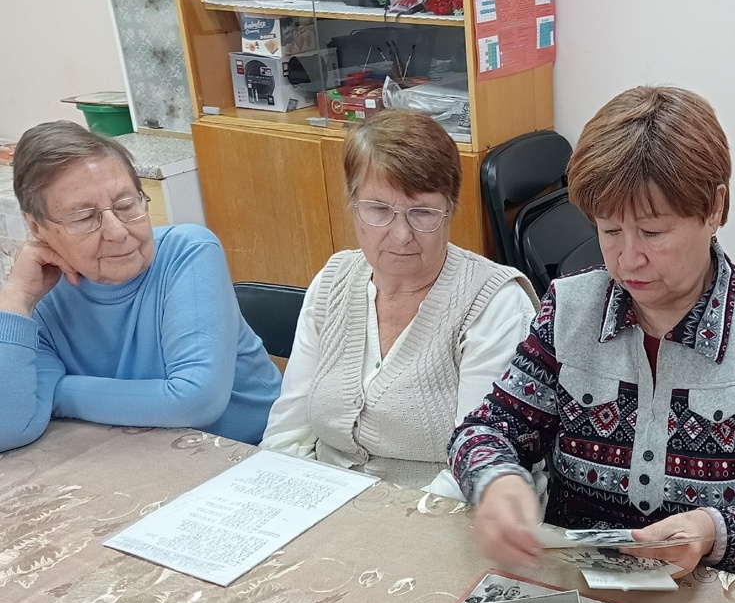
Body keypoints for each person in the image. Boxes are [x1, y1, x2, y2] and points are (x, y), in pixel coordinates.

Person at [449, 85, 735, 594]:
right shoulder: (569, 308)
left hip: (719, 598)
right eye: (609, 231)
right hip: (583, 590)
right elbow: (485, 429)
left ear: (714, 208)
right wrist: (498, 481)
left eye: (653, 233)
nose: (628, 259)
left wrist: (713, 531)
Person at [261, 109, 537, 493]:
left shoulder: (495, 305)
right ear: (353, 204)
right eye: (378, 210)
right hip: (322, 501)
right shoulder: (332, 283)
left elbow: (477, 470)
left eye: (422, 213)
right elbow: (286, 435)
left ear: (450, 210)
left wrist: (376, 526)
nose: (401, 234)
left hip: (438, 514)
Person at [0, 121, 280, 452]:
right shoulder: (39, 297)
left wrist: (58, 393)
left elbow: (196, 401)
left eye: (126, 205)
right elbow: (9, 428)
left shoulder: (187, 252)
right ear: (36, 227)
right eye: (85, 218)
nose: (118, 232)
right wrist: (16, 297)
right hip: (141, 455)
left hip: (254, 450)